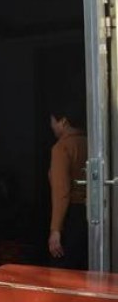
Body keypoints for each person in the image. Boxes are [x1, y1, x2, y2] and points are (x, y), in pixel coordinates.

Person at [47, 102, 88, 270]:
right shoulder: (89, 143)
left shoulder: (62, 148)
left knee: (64, 270)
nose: (51, 126)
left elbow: (61, 192)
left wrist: (55, 229)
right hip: (90, 214)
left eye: (52, 121)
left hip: (71, 216)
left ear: (63, 122)